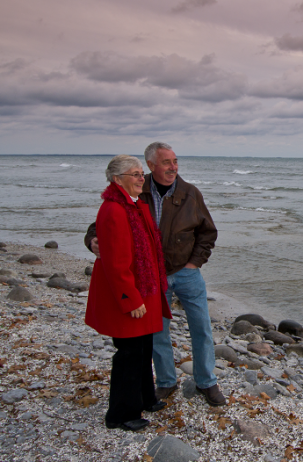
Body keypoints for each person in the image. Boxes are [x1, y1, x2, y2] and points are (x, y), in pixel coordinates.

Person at [85, 142, 225, 406]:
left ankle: (206, 382)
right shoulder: (136, 189)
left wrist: (195, 262)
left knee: (202, 329)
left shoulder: (190, 193)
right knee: (157, 332)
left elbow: (208, 232)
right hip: (149, 277)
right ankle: (165, 382)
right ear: (151, 166)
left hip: (186, 273)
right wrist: (92, 240)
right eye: (166, 162)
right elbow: (101, 224)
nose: (173, 167)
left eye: (175, 161)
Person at [85, 155, 171, 432]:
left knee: (144, 346)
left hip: (143, 288)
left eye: (141, 173)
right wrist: (130, 298)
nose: (140, 178)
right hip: (128, 292)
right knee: (129, 353)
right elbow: (116, 262)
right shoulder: (114, 209)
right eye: (134, 174)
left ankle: (145, 397)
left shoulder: (133, 205)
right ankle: (121, 413)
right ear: (117, 179)